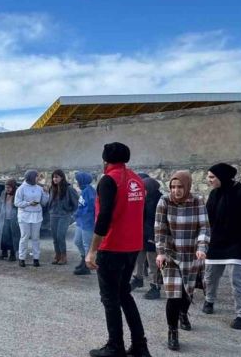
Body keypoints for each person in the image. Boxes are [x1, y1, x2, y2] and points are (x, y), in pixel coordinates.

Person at [85, 142, 151, 357]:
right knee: (124, 295)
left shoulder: (109, 180)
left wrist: (93, 250)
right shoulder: (137, 180)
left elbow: (104, 216)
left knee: (110, 299)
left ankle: (115, 346)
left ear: (105, 160)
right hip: (132, 246)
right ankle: (140, 346)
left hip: (112, 246)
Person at [154, 171, 209, 351]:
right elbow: (160, 228)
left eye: (180, 187)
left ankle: (183, 313)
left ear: (187, 186)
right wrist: (160, 252)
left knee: (187, 292)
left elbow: (204, 227)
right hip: (170, 255)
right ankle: (172, 331)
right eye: (173, 187)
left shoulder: (197, 201)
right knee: (173, 294)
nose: (176, 190)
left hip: (192, 255)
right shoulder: (164, 201)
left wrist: (201, 247)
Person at [203, 163, 241, 330]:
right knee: (210, 276)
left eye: (212, 177)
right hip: (216, 243)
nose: (209, 180)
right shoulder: (214, 194)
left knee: (237, 279)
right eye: (208, 176)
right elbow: (207, 219)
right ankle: (209, 300)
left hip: (238, 243)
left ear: (223, 177)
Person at [132, 177, 163, 299]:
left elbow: (159, 220)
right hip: (141, 235)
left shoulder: (160, 200)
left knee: (153, 263)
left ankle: (155, 286)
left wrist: (154, 236)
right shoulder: (144, 198)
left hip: (153, 236)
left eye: (144, 189)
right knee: (138, 259)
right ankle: (137, 278)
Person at [15, 170, 49, 267]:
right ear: (30, 177)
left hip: (37, 216)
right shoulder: (21, 189)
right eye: (36, 176)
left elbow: (44, 203)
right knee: (24, 237)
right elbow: (17, 203)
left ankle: (36, 258)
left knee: (36, 238)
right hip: (24, 216)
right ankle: (22, 258)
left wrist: (46, 194)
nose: (38, 178)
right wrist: (28, 203)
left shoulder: (39, 188)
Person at [47, 169, 79, 265]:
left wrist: (70, 212)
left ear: (62, 177)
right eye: (53, 177)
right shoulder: (52, 188)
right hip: (53, 215)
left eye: (57, 177)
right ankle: (57, 255)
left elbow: (76, 203)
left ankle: (63, 256)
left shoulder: (69, 189)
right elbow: (50, 200)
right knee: (55, 237)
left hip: (64, 216)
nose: (54, 179)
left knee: (60, 236)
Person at [73, 171, 96, 275]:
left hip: (88, 222)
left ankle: (87, 266)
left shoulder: (89, 191)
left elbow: (90, 208)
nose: (76, 182)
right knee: (77, 241)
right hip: (81, 221)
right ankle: (83, 259)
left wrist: (80, 214)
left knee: (87, 244)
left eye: (77, 180)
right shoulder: (84, 190)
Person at [0, 178, 20, 262]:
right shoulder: (3, 193)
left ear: (13, 187)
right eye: (6, 187)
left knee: (13, 237)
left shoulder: (17, 194)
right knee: (3, 237)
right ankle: (4, 252)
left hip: (13, 220)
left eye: (9, 187)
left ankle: (12, 255)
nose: (7, 189)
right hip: (4, 219)